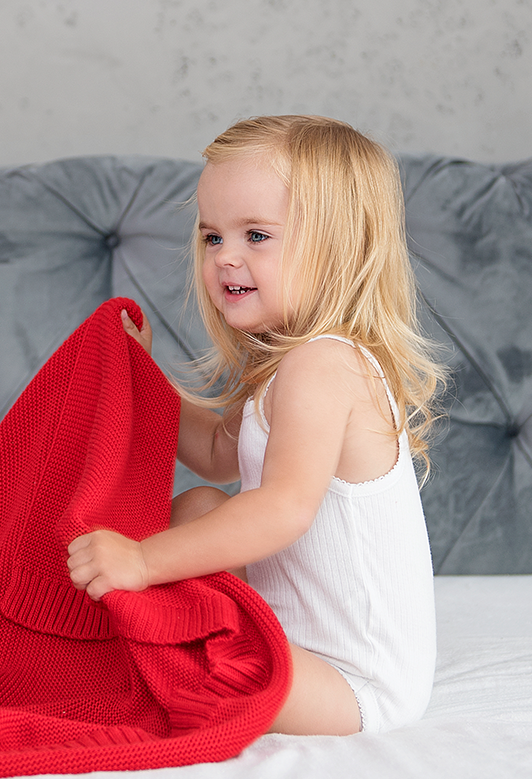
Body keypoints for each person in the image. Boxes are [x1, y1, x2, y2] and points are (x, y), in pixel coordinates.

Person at [67, 115, 445, 736]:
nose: (225, 257)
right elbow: (218, 451)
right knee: (199, 505)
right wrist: (143, 378)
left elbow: (281, 510)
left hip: (355, 686)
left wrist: (143, 561)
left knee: (182, 660)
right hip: (293, 640)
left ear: (337, 247)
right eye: (212, 236)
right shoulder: (289, 362)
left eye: (256, 235)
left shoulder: (326, 364)